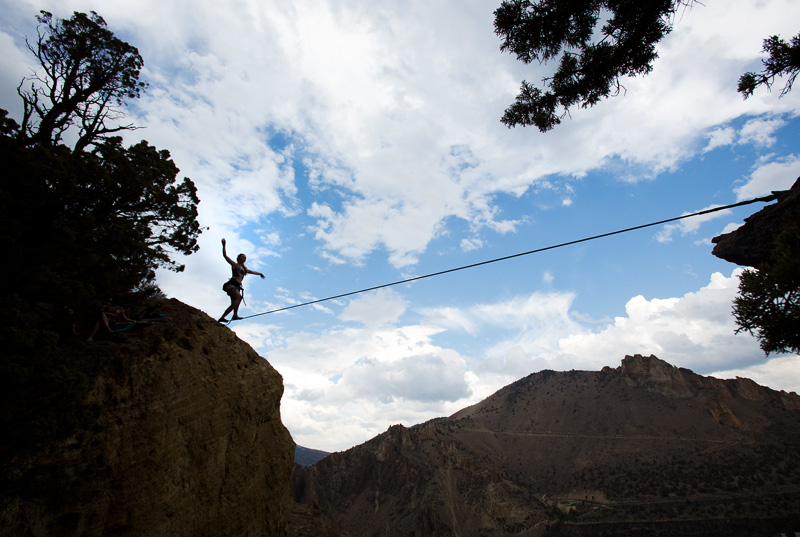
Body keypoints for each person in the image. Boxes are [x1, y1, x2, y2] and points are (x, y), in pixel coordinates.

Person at [219, 238, 264, 322]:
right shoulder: (234, 265)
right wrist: (224, 245)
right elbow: (225, 256)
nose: (244, 259)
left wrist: (260, 274)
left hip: (237, 286)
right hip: (231, 284)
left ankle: (235, 315)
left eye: (245, 258)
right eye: (243, 257)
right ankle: (223, 317)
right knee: (238, 298)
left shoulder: (244, 269)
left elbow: (252, 271)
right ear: (238, 258)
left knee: (235, 301)